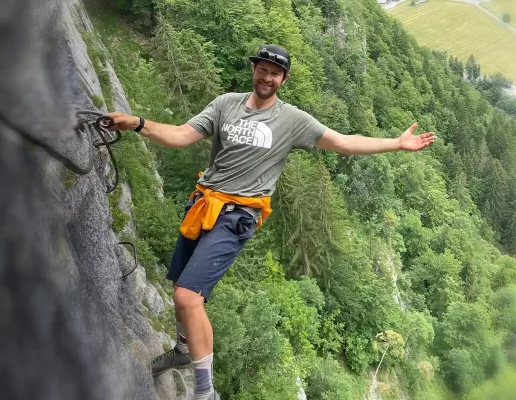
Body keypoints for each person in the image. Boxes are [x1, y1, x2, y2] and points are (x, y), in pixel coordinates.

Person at [108, 44, 436, 399]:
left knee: (189, 296)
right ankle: (185, 351)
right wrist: (136, 123)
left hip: (238, 216)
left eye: (275, 73)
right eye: (262, 69)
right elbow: (180, 136)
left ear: (284, 79)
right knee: (179, 292)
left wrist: (397, 144)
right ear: (254, 70)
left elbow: (344, 143)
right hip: (204, 204)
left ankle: (204, 392)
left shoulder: (291, 119)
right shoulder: (225, 104)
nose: (267, 77)